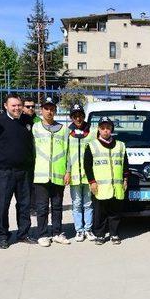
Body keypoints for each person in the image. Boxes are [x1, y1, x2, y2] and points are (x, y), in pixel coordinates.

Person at [0, 93, 35, 248]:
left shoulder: (27, 121)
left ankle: (23, 233)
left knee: (24, 204)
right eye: (13, 105)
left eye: (18, 105)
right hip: (4, 172)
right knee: (3, 205)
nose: (16, 108)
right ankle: (3, 235)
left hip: (25, 171)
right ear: (5, 106)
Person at [32, 97, 69, 247]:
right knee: (41, 207)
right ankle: (42, 234)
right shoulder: (36, 128)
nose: (49, 111)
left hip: (58, 173)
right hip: (41, 174)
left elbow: (68, 151)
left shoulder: (64, 129)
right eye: (46, 108)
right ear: (41, 110)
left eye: (52, 109)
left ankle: (57, 233)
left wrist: (68, 171)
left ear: (56, 110)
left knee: (57, 206)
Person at [84, 116, 128, 245]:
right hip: (100, 187)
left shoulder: (120, 145)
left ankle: (114, 234)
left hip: (116, 186)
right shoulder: (92, 145)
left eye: (108, 128)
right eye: (103, 128)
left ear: (112, 129)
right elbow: (87, 165)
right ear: (98, 129)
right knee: (100, 213)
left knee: (115, 213)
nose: (105, 131)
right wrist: (91, 181)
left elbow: (125, 164)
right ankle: (100, 235)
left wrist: (125, 178)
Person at [66, 103, 96, 242]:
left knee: (88, 203)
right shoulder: (67, 132)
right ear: (72, 117)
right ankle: (79, 230)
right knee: (77, 203)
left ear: (84, 116)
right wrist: (67, 172)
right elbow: (66, 154)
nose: (78, 118)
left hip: (88, 175)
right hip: (74, 176)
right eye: (75, 116)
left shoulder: (92, 131)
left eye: (80, 116)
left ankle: (88, 229)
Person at [23, 97, 38, 215]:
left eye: (33, 106)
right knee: (25, 184)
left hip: (37, 157)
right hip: (24, 157)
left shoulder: (38, 121)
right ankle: (26, 206)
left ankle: (34, 206)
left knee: (35, 184)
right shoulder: (20, 120)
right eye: (28, 106)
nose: (31, 108)